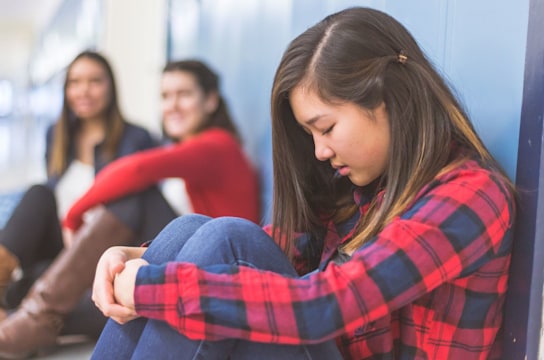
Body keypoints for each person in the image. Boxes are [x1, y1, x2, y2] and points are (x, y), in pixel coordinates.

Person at [86, 7, 516, 360]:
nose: (319, 152)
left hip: (326, 326)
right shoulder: (369, 189)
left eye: (326, 128)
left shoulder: (470, 196)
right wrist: (135, 258)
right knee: (190, 229)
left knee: (225, 236)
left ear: (388, 99)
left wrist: (147, 285)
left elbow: (324, 306)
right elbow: (280, 246)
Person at [0, 59, 259, 359]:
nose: (172, 105)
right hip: (175, 265)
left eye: (184, 94)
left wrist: (74, 215)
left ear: (211, 101)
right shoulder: (189, 150)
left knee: (134, 201)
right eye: (165, 96)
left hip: (208, 276)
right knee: (35, 286)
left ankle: (25, 319)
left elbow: (135, 170)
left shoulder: (217, 146)